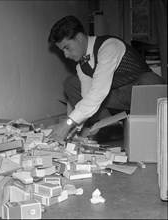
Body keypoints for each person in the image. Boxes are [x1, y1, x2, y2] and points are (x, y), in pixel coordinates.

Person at [47, 15, 166, 143]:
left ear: (80, 37)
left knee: (151, 81)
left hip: (141, 93)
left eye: (67, 47)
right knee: (71, 83)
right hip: (116, 98)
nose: (65, 55)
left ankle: (149, 129)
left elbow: (99, 91)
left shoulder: (109, 46)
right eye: (62, 50)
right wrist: (78, 126)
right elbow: (88, 96)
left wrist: (68, 122)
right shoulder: (82, 66)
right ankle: (107, 127)